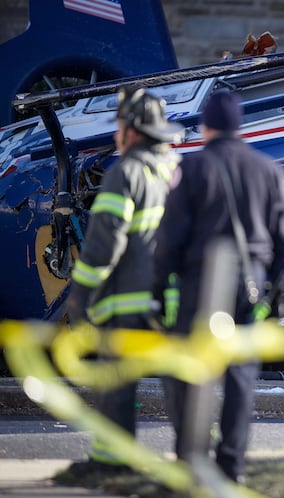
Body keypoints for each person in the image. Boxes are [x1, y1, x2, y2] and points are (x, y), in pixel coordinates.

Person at [152, 89, 284, 482]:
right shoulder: (269, 170)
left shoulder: (192, 169)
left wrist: (157, 288)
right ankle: (232, 464)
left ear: (205, 125)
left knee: (185, 371)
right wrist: (275, 294)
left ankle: (190, 459)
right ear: (240, 125)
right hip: (250, 282)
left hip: (199, 283)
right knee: (239, 377)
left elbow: (169, 240)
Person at [65, 87, 183, 473]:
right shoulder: (175, 171)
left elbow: (104, 245)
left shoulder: (126, 171)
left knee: (116, 382)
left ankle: (111, 463)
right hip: (172, 299)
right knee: (182, 384)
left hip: (128, 302)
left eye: (119, 126)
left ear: (130, 131)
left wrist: (81, 292)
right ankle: (200, 455)